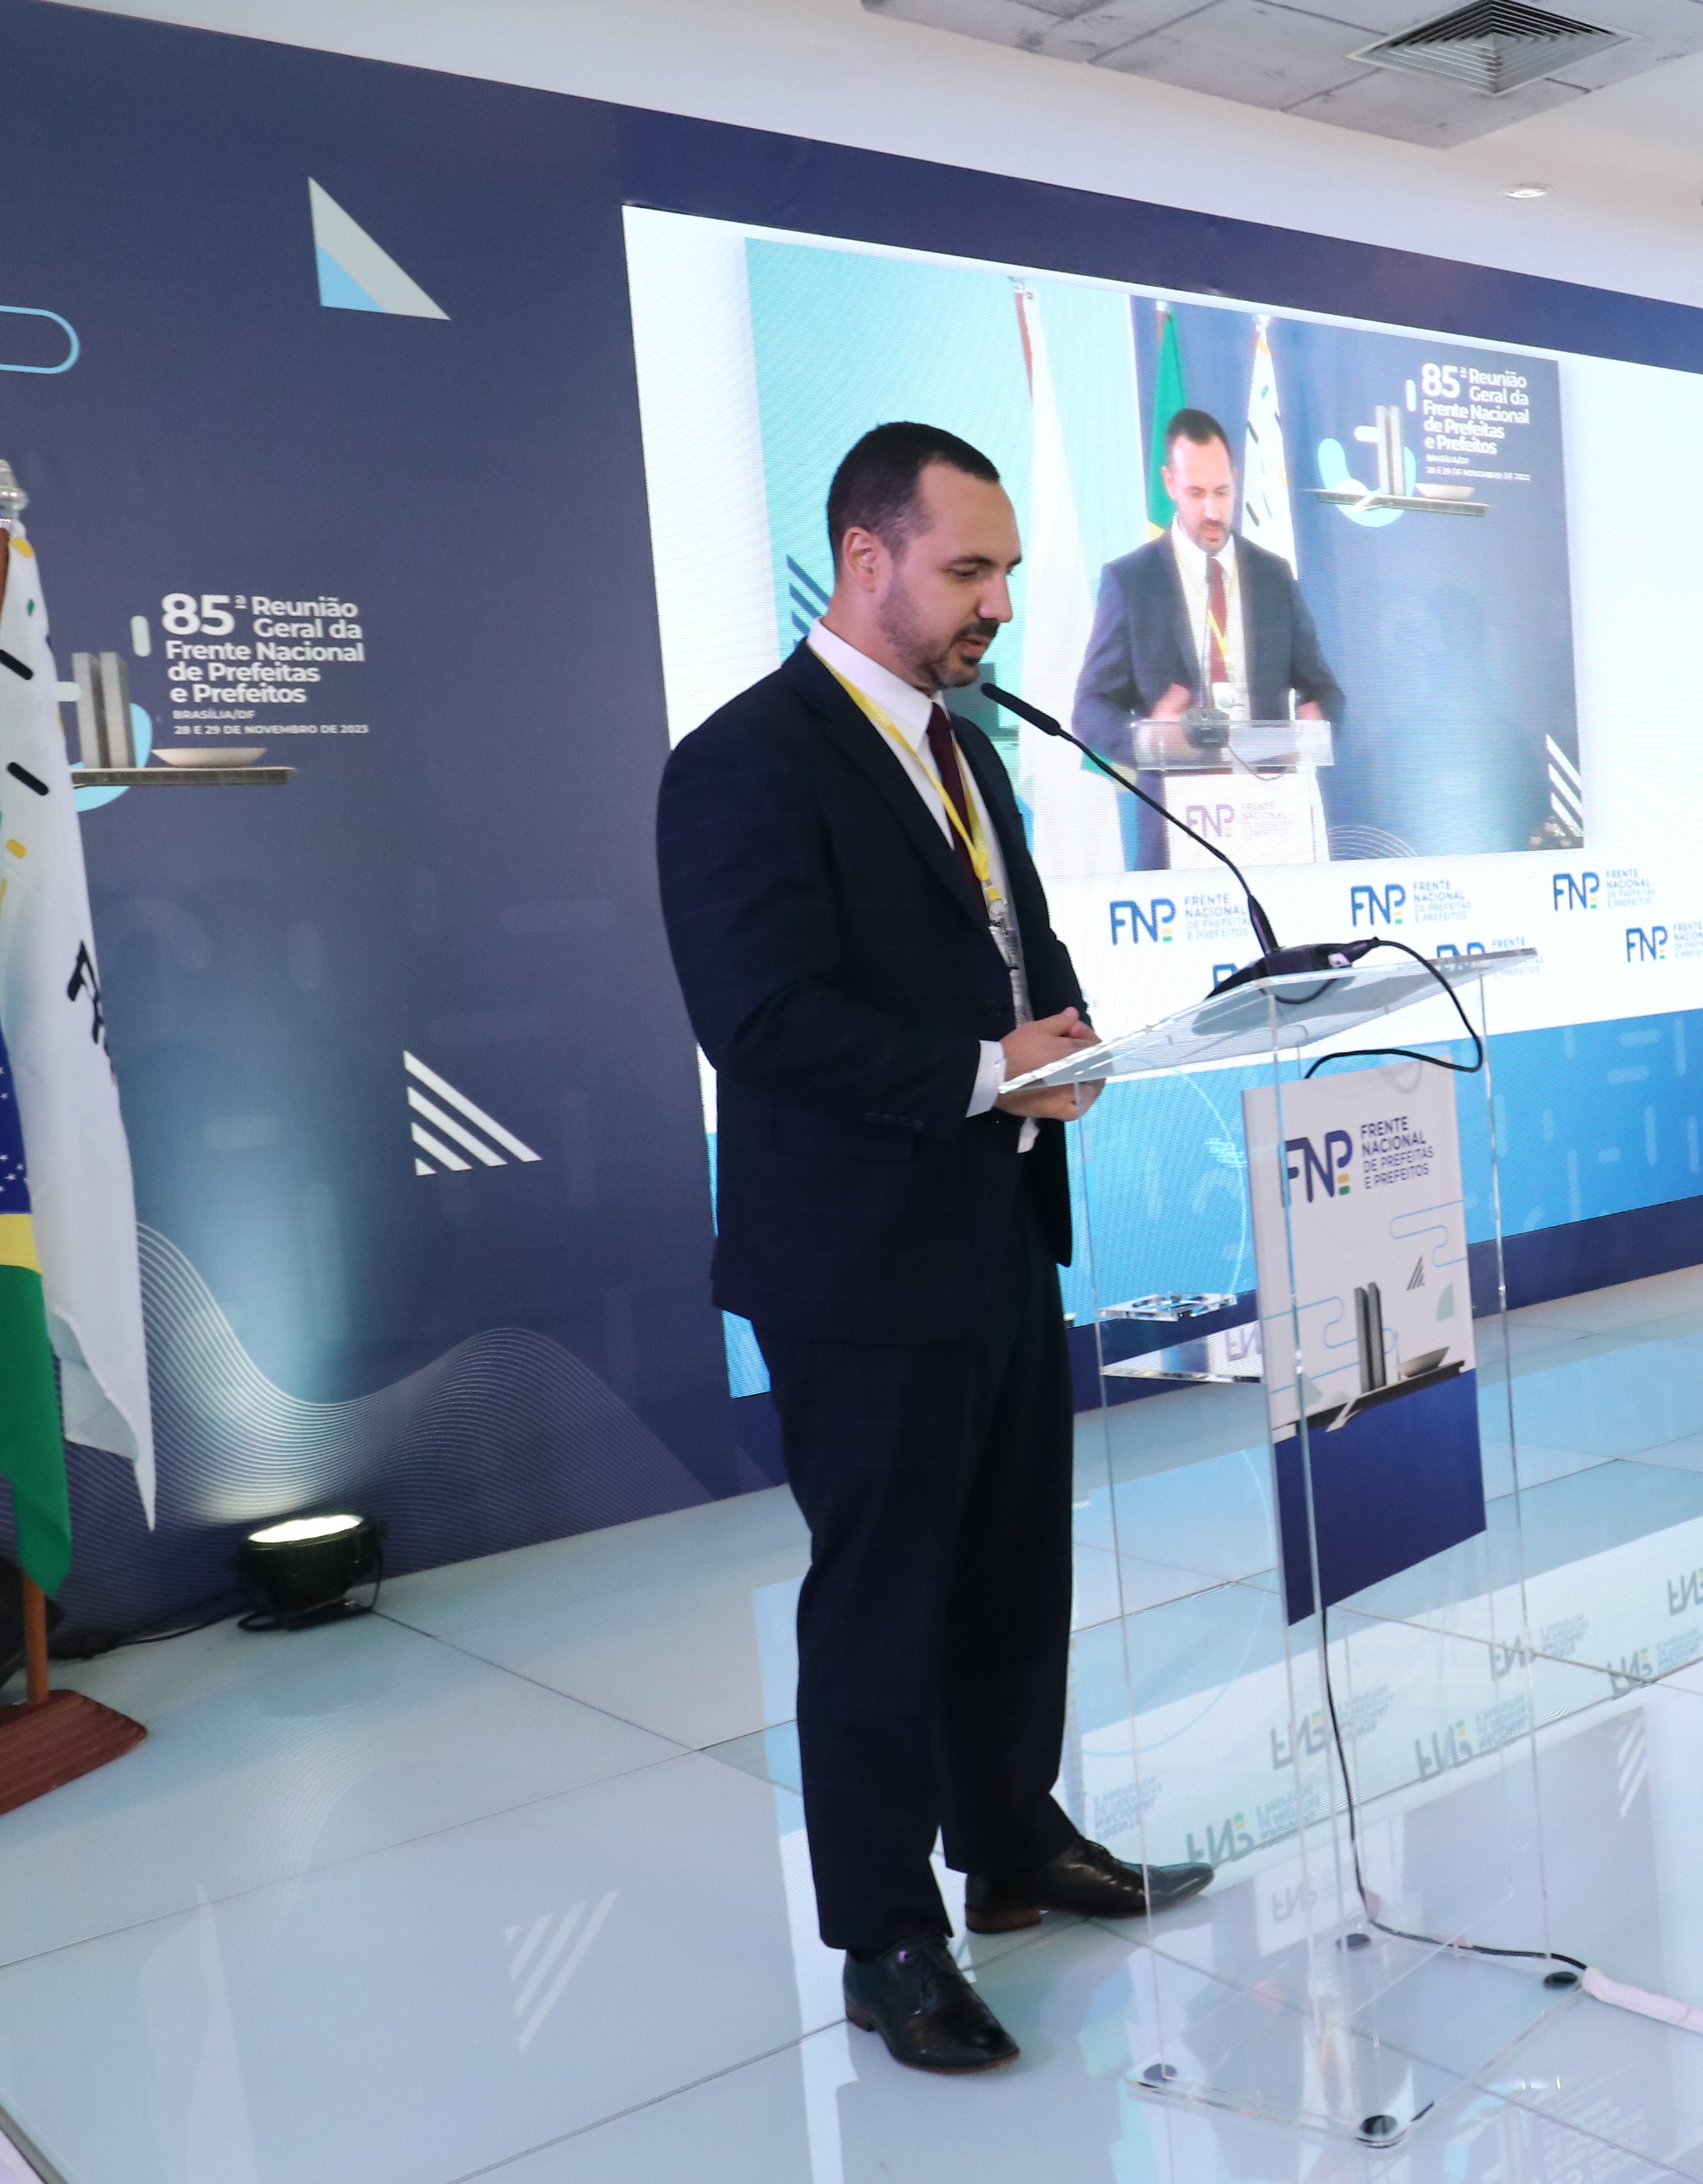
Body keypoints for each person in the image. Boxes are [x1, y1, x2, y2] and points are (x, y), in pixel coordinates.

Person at [658, 423, 1212, 2078]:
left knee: (1013, 1569)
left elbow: (1009, 949)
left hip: (995, 1225)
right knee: (884, 1601)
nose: (999, 606)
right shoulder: (745, 761)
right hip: (857, 1260)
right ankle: (887, 1934)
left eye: (1008, 574)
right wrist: (987, 1070)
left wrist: (1068, 1036)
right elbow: (757, 1018)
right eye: (969, 571)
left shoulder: (963, 745)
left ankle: (1012, 1839)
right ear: (865, 557)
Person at [1073, 406, 1346, 868]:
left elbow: (1323, 688)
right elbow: (1090, 709)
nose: (1212, 511)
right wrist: (1151, 739)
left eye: (1222, 491)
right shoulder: (1131, 581)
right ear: (1169, 483)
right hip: (1179, 826)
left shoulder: (1275, 576)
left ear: (1236, 478)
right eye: (1196, 493)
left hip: (1271, 821)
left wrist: (1320, 717)